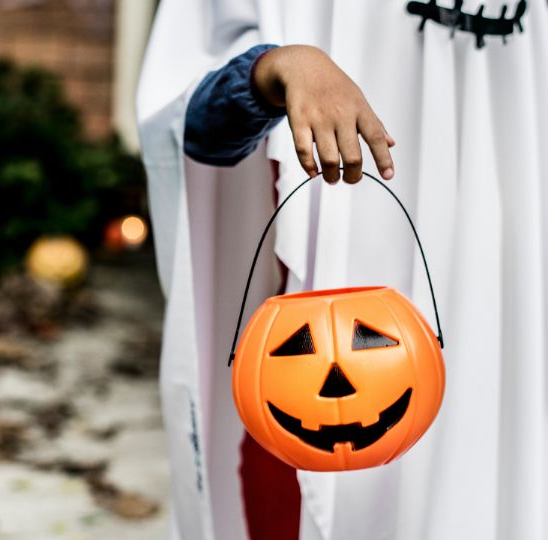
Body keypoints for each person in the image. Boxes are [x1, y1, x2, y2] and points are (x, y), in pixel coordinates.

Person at [136, 1, 548, 539]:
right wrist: (277, 68)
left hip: (514, 254)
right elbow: (188, 119)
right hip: (329, 261)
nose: (340, 389)